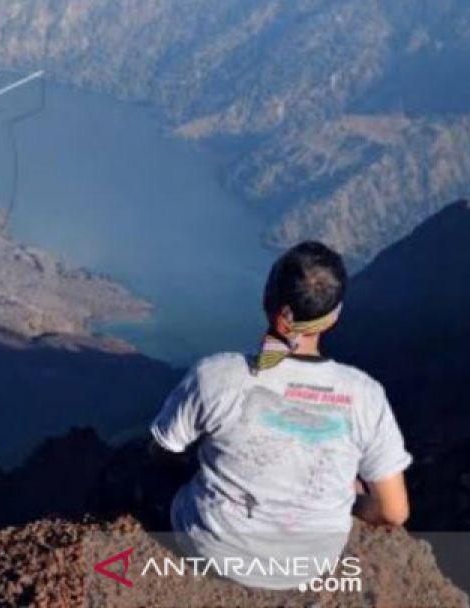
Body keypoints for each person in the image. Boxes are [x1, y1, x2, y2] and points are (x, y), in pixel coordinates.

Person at [149, 241, 411, 589]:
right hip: (310, 563)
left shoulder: (217, 375)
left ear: (267, 300)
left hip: (212, 547)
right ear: (334, 316)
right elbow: (394, 511)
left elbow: (162, 449)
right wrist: (350, 499)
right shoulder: (365, 396)